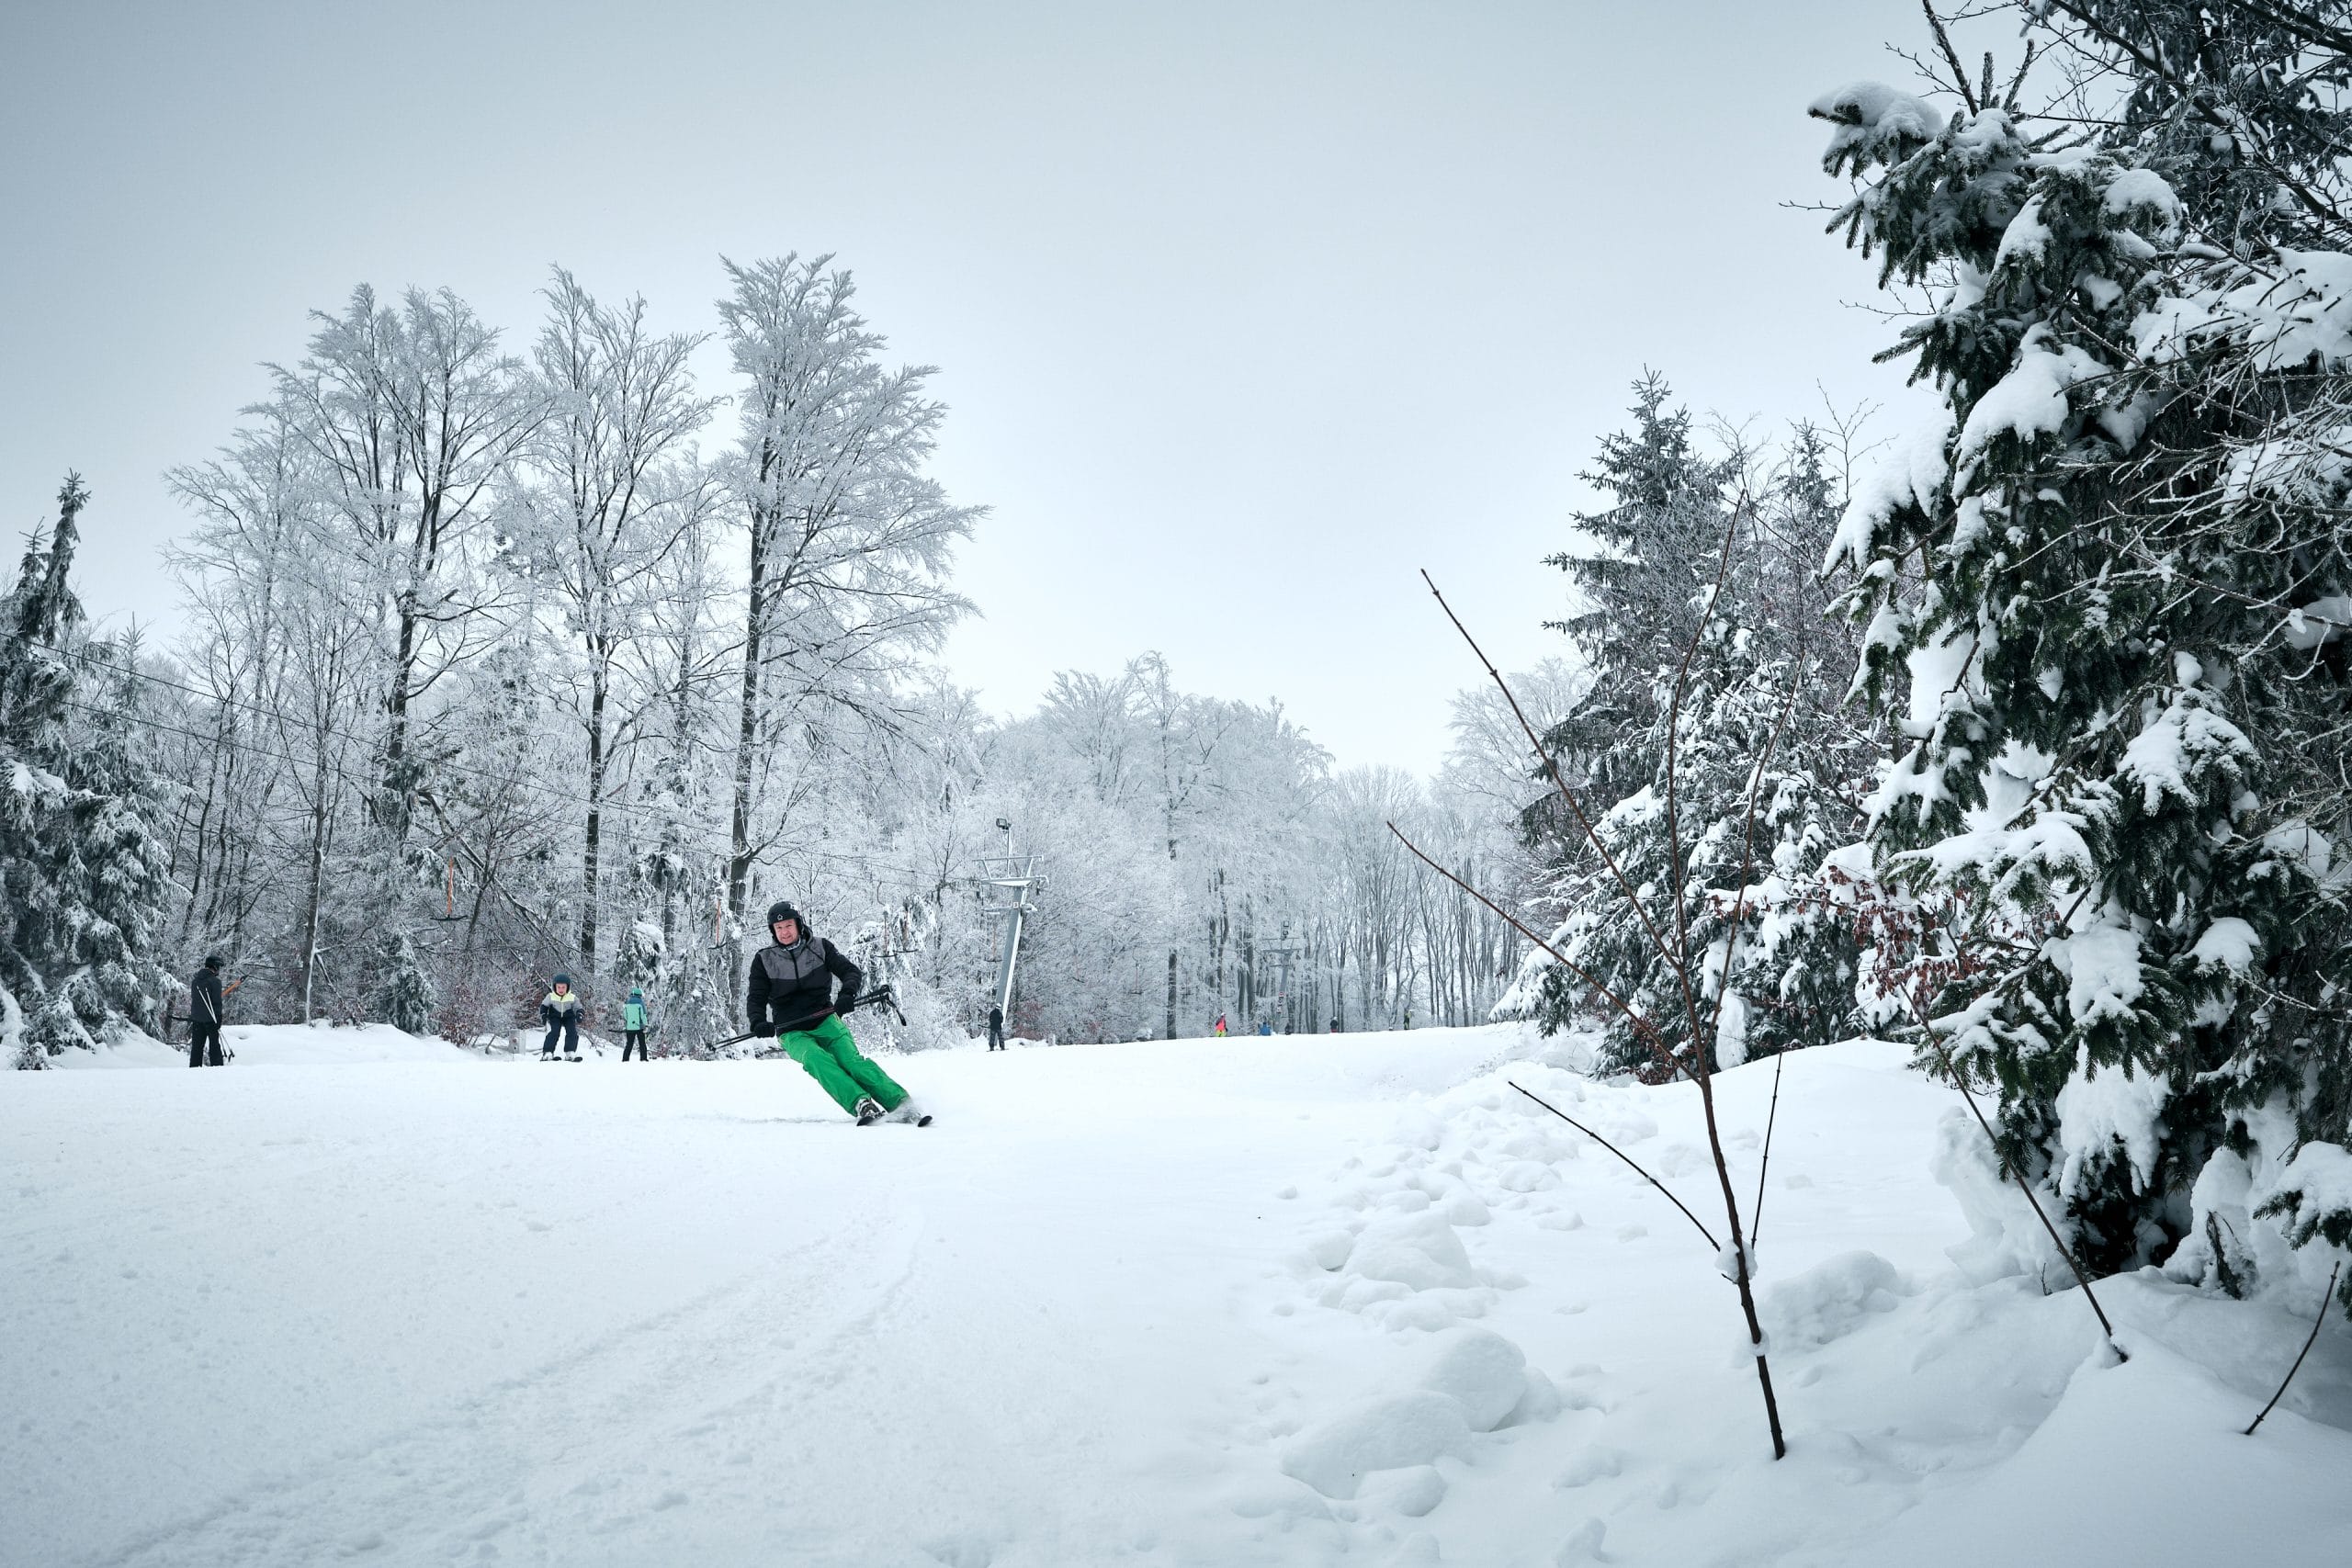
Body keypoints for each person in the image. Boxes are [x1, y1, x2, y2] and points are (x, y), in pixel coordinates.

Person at [749, 900, 925, 1125]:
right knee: (816, 1059)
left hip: (826, 1020)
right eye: (779, 928)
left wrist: (847, 995)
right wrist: (758, 1022)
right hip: (792, 1030)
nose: (784, 932)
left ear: (799, 925)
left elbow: (850, 971)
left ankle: (901, 1103)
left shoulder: (821, 947)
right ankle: (861, 1103)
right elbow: (756, 997)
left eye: (789, 926)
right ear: (773, 930)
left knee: (852, 1062)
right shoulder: (764, 960)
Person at [187, 954, 240, 1067]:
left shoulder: (195, 981)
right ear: (214, 966)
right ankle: (217, 1069)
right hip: (211, 1019)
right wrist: (219, 1017)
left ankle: (193, 1070)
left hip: (197, 1018)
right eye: (218, 967)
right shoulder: (215, 981)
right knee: (214, 1046)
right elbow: (216, 1002)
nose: (219, 970)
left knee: (197, 1048)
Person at [540, 974, 582, 1061]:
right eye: (559, 987)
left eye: (563, 987)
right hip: (555, 1016)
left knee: (572, 1032)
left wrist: (579, 1014)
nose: (561, 989)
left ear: (568, 987)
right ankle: (548, 1052)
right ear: (554, 987)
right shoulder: (551, 996)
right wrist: (543, 1015)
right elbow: (544, 1006)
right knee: (554, 1032)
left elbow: (578, 1007)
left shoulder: (572, 997)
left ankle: (570, 1052)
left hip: (568, 1017)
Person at [620, 985, 650, 1061]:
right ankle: (643, 1059)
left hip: (629, 1027)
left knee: (629, 1044)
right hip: (639, 1027)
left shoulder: (627, 1003)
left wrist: (629, 1022)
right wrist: (646, 1025)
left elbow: (625, 1015)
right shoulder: (640, 1003)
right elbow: (643, 1015)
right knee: (642, 1044)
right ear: (639, 995)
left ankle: (625, 1059)